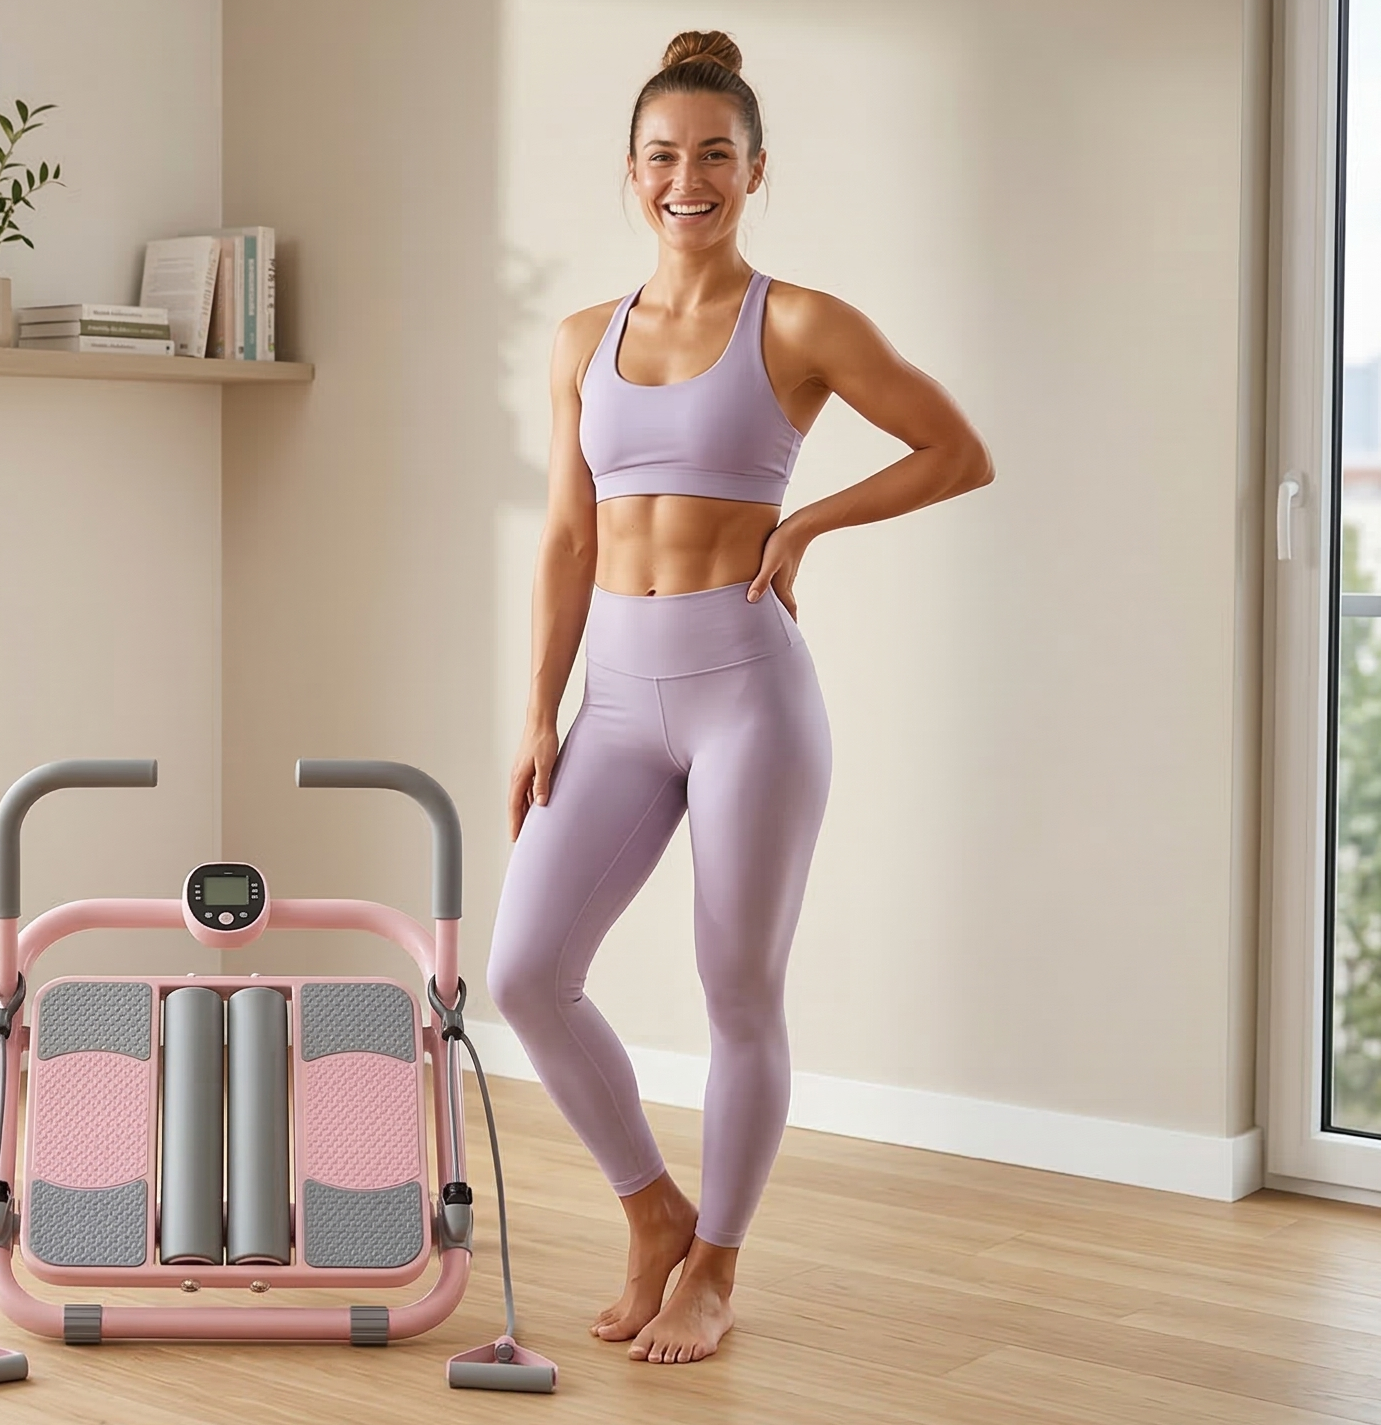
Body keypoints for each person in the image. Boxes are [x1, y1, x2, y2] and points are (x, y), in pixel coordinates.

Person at [483, 29, 994, 1365]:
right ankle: (654, 1213)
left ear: (755, 170)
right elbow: (568, 541)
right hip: (614, 696)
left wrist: (807, 522)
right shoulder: (582, 339)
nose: (688, 180)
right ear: (631, 172)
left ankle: (715, 1267)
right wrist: (539, 711)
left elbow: (957, 450)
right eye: (664, 156)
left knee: (738, 989)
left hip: (747, 693)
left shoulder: (802, 323)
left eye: (715, 155)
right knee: (526, 973)